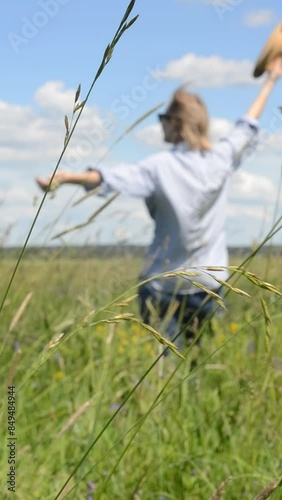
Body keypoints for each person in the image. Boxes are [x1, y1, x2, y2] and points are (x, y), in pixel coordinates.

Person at [36, 58, 282, 351]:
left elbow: (108, 178)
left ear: (176, 125)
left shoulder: (158, 166)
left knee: (161, 369)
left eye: (163, 119)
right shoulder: (221, 158)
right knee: (199, 367)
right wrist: (271, 80)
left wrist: (64, 177)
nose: (161, 126)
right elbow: (247, 124)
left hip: (160, 284)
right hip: (210, 282)